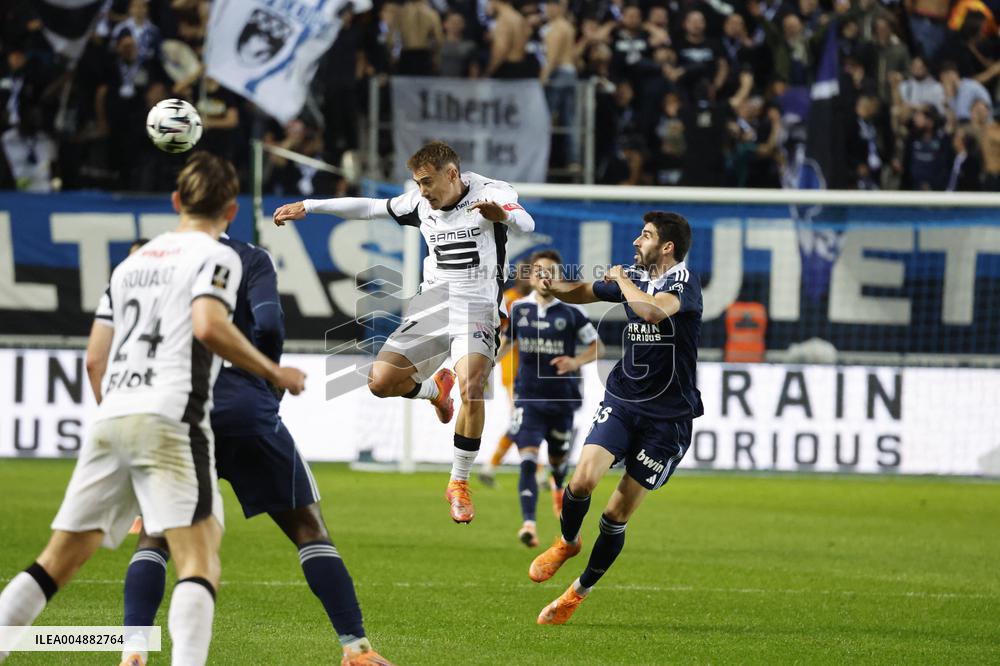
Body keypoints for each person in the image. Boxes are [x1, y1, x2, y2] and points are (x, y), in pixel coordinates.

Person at [0, 152, 307, 665]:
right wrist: (275, 373)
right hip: (170, 417)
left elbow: (95, 360)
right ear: (231, 212)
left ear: (174, 201)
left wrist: (121, 419)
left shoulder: (132, 263)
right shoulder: (220, 256)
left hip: (112, 415)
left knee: (55, 562)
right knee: (199, 560)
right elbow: (209, 325)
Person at [100, 232, 391, 665]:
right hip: (246, 407)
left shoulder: (150, 263)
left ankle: (134, 648)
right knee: (308, 529)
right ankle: (356, 648)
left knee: (156, 535)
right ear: (229, 209)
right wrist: (269, 380)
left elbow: (109, 354)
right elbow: (270, 324)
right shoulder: (249, 257)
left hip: (180, 408)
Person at [273, 141, 535, 524]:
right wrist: (311, 207)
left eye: (427, 182)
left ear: (451, 174)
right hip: (433, 306)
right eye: (417, 183)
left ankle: (458, 482)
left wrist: (504, 215)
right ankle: (434, 390)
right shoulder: (418, 203)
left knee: (472, 387)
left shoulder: (492, 192)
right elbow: (370, 208)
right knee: (380, 381)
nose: (423, 191)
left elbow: (526, 221)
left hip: (477, 308)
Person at [526, 211, 703, 625]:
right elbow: (585, 291)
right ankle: (568, 542)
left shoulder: (683, 282)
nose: (636, 243)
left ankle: (576, 593)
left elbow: (653, 313)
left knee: (615, 515)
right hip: (624, 400)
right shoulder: (634, 280)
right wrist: (555, 288)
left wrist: (622, 280)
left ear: (667, 247)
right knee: (582, 480)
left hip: (669, 419)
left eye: (645, 236)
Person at [497, 249, 602, 548]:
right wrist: (485, 365)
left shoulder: (571, 312)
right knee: (528, 459)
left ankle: (558, 488)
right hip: (527, 398)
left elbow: (598, 347)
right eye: (540, 272)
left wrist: (574, 362)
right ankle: (529, 524)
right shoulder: (518, 309)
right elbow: (507, 342)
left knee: (557, 462)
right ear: (531, 277)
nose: (546, 277)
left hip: (562, 401)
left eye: (552, 273)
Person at [479, 263, 532, 487]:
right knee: (523, 419)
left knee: (525, 420)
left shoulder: (537, 302)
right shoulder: (509, 300)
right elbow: (504, 334)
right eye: (524, 273)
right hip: (514, 370)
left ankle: (492, 468)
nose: (528, 278)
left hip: (534, 371)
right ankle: (493, 466)